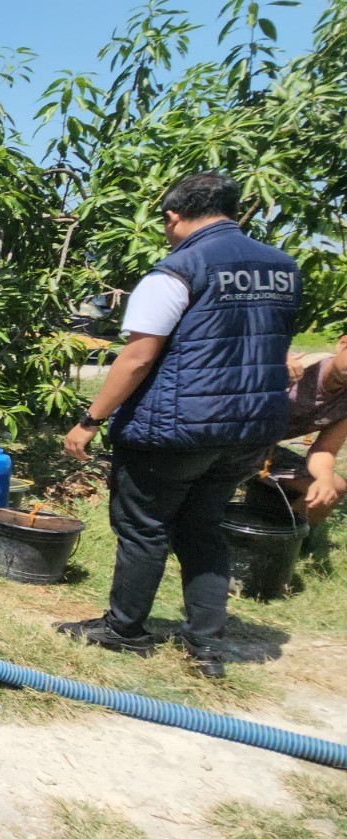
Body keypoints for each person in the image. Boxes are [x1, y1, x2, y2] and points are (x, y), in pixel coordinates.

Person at [60, 172, 301, 679]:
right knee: (203, 526)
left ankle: (124, 629)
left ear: (173, 216)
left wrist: (89, 419)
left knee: (144, 526)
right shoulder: (283, 269)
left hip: (176, 429)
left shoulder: (178, 269)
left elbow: (137, 357)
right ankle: (206, 644)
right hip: (249, 429)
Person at [271, 333, 347, 527]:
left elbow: (325, 449)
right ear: (342, 343)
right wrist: (272, 366)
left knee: (335, 486)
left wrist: (324, 478)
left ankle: (280, 542)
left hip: (265, 455)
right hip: (226, 446)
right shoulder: (299, 364)